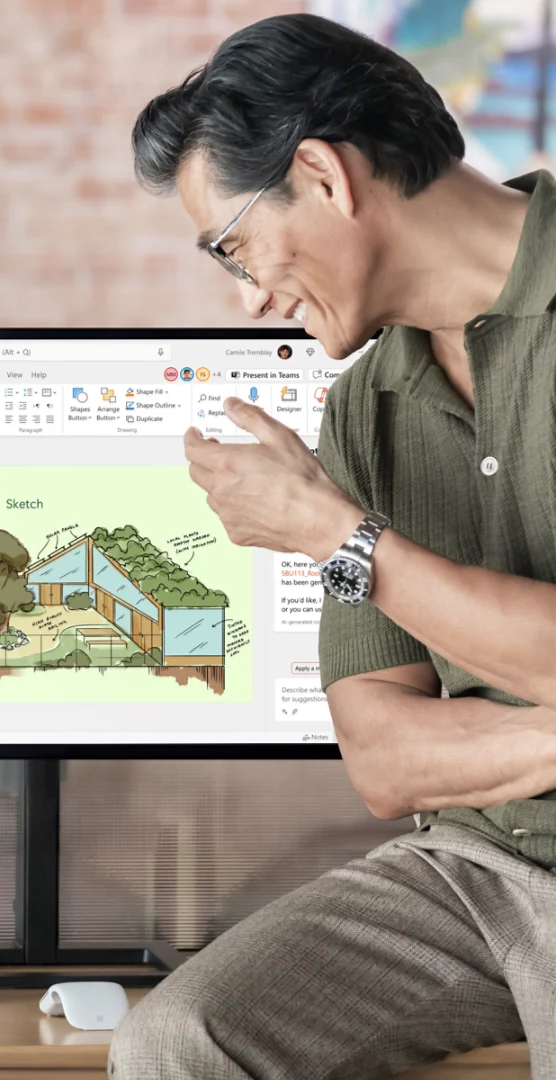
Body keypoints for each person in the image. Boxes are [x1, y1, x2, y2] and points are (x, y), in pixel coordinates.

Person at [119, 13, 556, 1078]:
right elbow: (386, 762)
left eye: (233, 248)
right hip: (480, 863)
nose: (250, 298)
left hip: (495, 821)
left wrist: (329, 529)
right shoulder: (364, 408)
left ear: (321, 175)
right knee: (182, 1042)